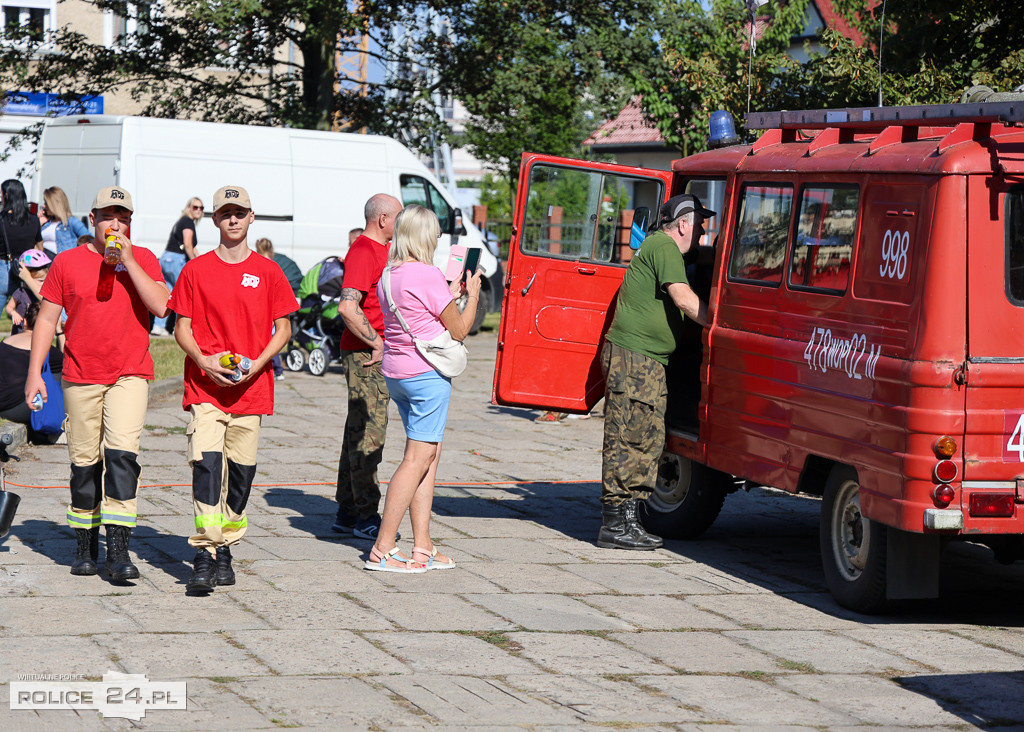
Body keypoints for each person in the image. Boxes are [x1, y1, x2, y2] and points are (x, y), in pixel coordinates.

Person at [25, 185, 170, 580]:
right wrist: (35, 372)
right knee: (84, 463)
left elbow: (161, 306)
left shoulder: (144, 259)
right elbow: (46, 320)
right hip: (80, 374)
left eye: (123, 218)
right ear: (92, 220)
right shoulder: (67, 262)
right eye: (109, 217)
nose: (116, 225)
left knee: (123, 458)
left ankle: (119, 550)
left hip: (130, 372)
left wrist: (128, 261)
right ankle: (85, 545)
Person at [169, 186, 296, 593]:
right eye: (225, 213)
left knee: (241, 475)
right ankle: (204, 554)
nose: (233, 219)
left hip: (251, 390)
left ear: (251, 217)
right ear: (214, 220)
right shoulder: (196, 270)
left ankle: (226, 545)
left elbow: (285, 329)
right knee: (207, 466)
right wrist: (204, 361)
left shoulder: (269, 271)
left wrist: (258, 365)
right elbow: (180, 329)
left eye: (239, 212)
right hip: (206, 388)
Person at [365, 204, 481, 572]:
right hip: (426, 375)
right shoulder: (428, 274)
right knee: (416, 459)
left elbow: (416, 311)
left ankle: (423, 546)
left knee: (429, 455)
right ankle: (382, 549)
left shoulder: (389, 273)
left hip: (397, 372)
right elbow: (459, 329)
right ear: (425, 236)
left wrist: (447, 292)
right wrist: (471, 293)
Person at [597, 194, 713, 550]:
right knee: (627, 437)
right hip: (634, 357)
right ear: (682, 224)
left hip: (647, 360)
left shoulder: (664, 248)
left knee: (646, 438)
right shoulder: (663, 246)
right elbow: (682, 297)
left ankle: (629, 520)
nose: (704, 230)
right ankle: (614, 525)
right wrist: (721, 324)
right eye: (700, 223)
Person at [332, 193, 404, 539]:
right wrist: (377, 342)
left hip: (370, 351)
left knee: (357, 430)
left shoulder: (379, 250)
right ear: (382, 219)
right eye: (398, 217)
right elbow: (348, 307)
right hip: (366, 355)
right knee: (369, 435)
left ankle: (347, 511)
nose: (401, 224)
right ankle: (366, 516)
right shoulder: (364, 250)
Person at [0, 302, 63, 444]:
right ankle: (48, 425)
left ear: (25, 321)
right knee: (58, 375)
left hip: (2, 404)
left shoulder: (5, 342)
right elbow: (68, 363)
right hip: (19, 408)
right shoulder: (47, 351)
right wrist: (59, 331)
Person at [151, 196, 204, 337]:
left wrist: (200, 259)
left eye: (201, 208)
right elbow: (188, 245)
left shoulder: (182, 221)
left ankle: (158, 326)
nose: (198, 210)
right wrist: (195, 263)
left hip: (166, 258)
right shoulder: (188, 222)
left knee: (169, 294)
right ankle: (180, 328)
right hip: (177, 259)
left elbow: (193, 247)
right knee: (183, 294)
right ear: (188, 208)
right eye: (195, 207)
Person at [254, 237, 299, 380]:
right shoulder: (275, 265)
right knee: (274, 342)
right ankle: (278, 370)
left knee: (265, 343)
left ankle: (274, 370)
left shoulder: (259, 264)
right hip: (273, 310)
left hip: (263, 310)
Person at [0, 179, 43, 307]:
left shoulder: (1, 219)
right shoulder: (34, 220)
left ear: (7, 196)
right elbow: (39, 248)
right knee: (22, 316)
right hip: (25, 271)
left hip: (3, 267)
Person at [4, 249, 50, 335]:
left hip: (38, 332)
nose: (43, 283)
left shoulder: (46, 294)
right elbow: (9, 307)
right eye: (40, 281)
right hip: (20, 332)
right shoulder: (21, 292)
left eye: (45, 280)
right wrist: (13, 313)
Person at [40, 186, 90, 255]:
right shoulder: (46, 223)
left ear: (54, 204)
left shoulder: (71, 221)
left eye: (46, 203)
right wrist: (39, 223)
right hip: (44, 261)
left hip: (62, 260)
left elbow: (89, 239)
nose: (43, 206)